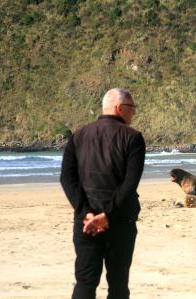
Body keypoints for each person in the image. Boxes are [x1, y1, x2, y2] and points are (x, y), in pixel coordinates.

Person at [60, 88, 146, 299]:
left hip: (86, 223)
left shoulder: (78, 136)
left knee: (85, 282)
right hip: (120, 221)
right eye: (132, 108)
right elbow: (129, 183)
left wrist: (86, 212)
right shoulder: (133, 138)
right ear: (119, 108)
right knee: (118, 284)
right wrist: (107, 215)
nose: (134, 113)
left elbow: (67, 179)